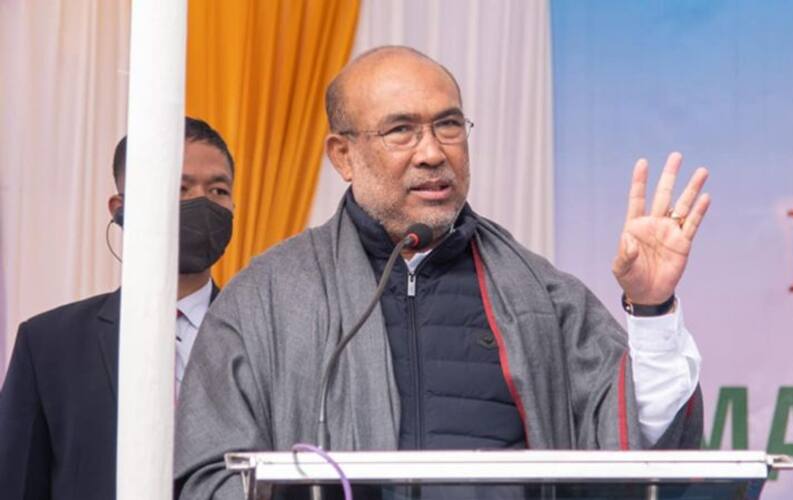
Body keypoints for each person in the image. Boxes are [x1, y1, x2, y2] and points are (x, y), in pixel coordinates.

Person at [174, 46, 710, 498]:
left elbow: (639, 447)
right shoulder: (266, 298)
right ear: (343, 156)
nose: (432, 152)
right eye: (401, 130)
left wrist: (652, 309)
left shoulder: (542, 296)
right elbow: (206, 476)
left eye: (448, 125)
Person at [0, 117, 237, 500]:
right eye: (179, 187)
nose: (201, 201)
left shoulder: (261, 340)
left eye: (218, 190)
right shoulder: (47, 346)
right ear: (120, 208)